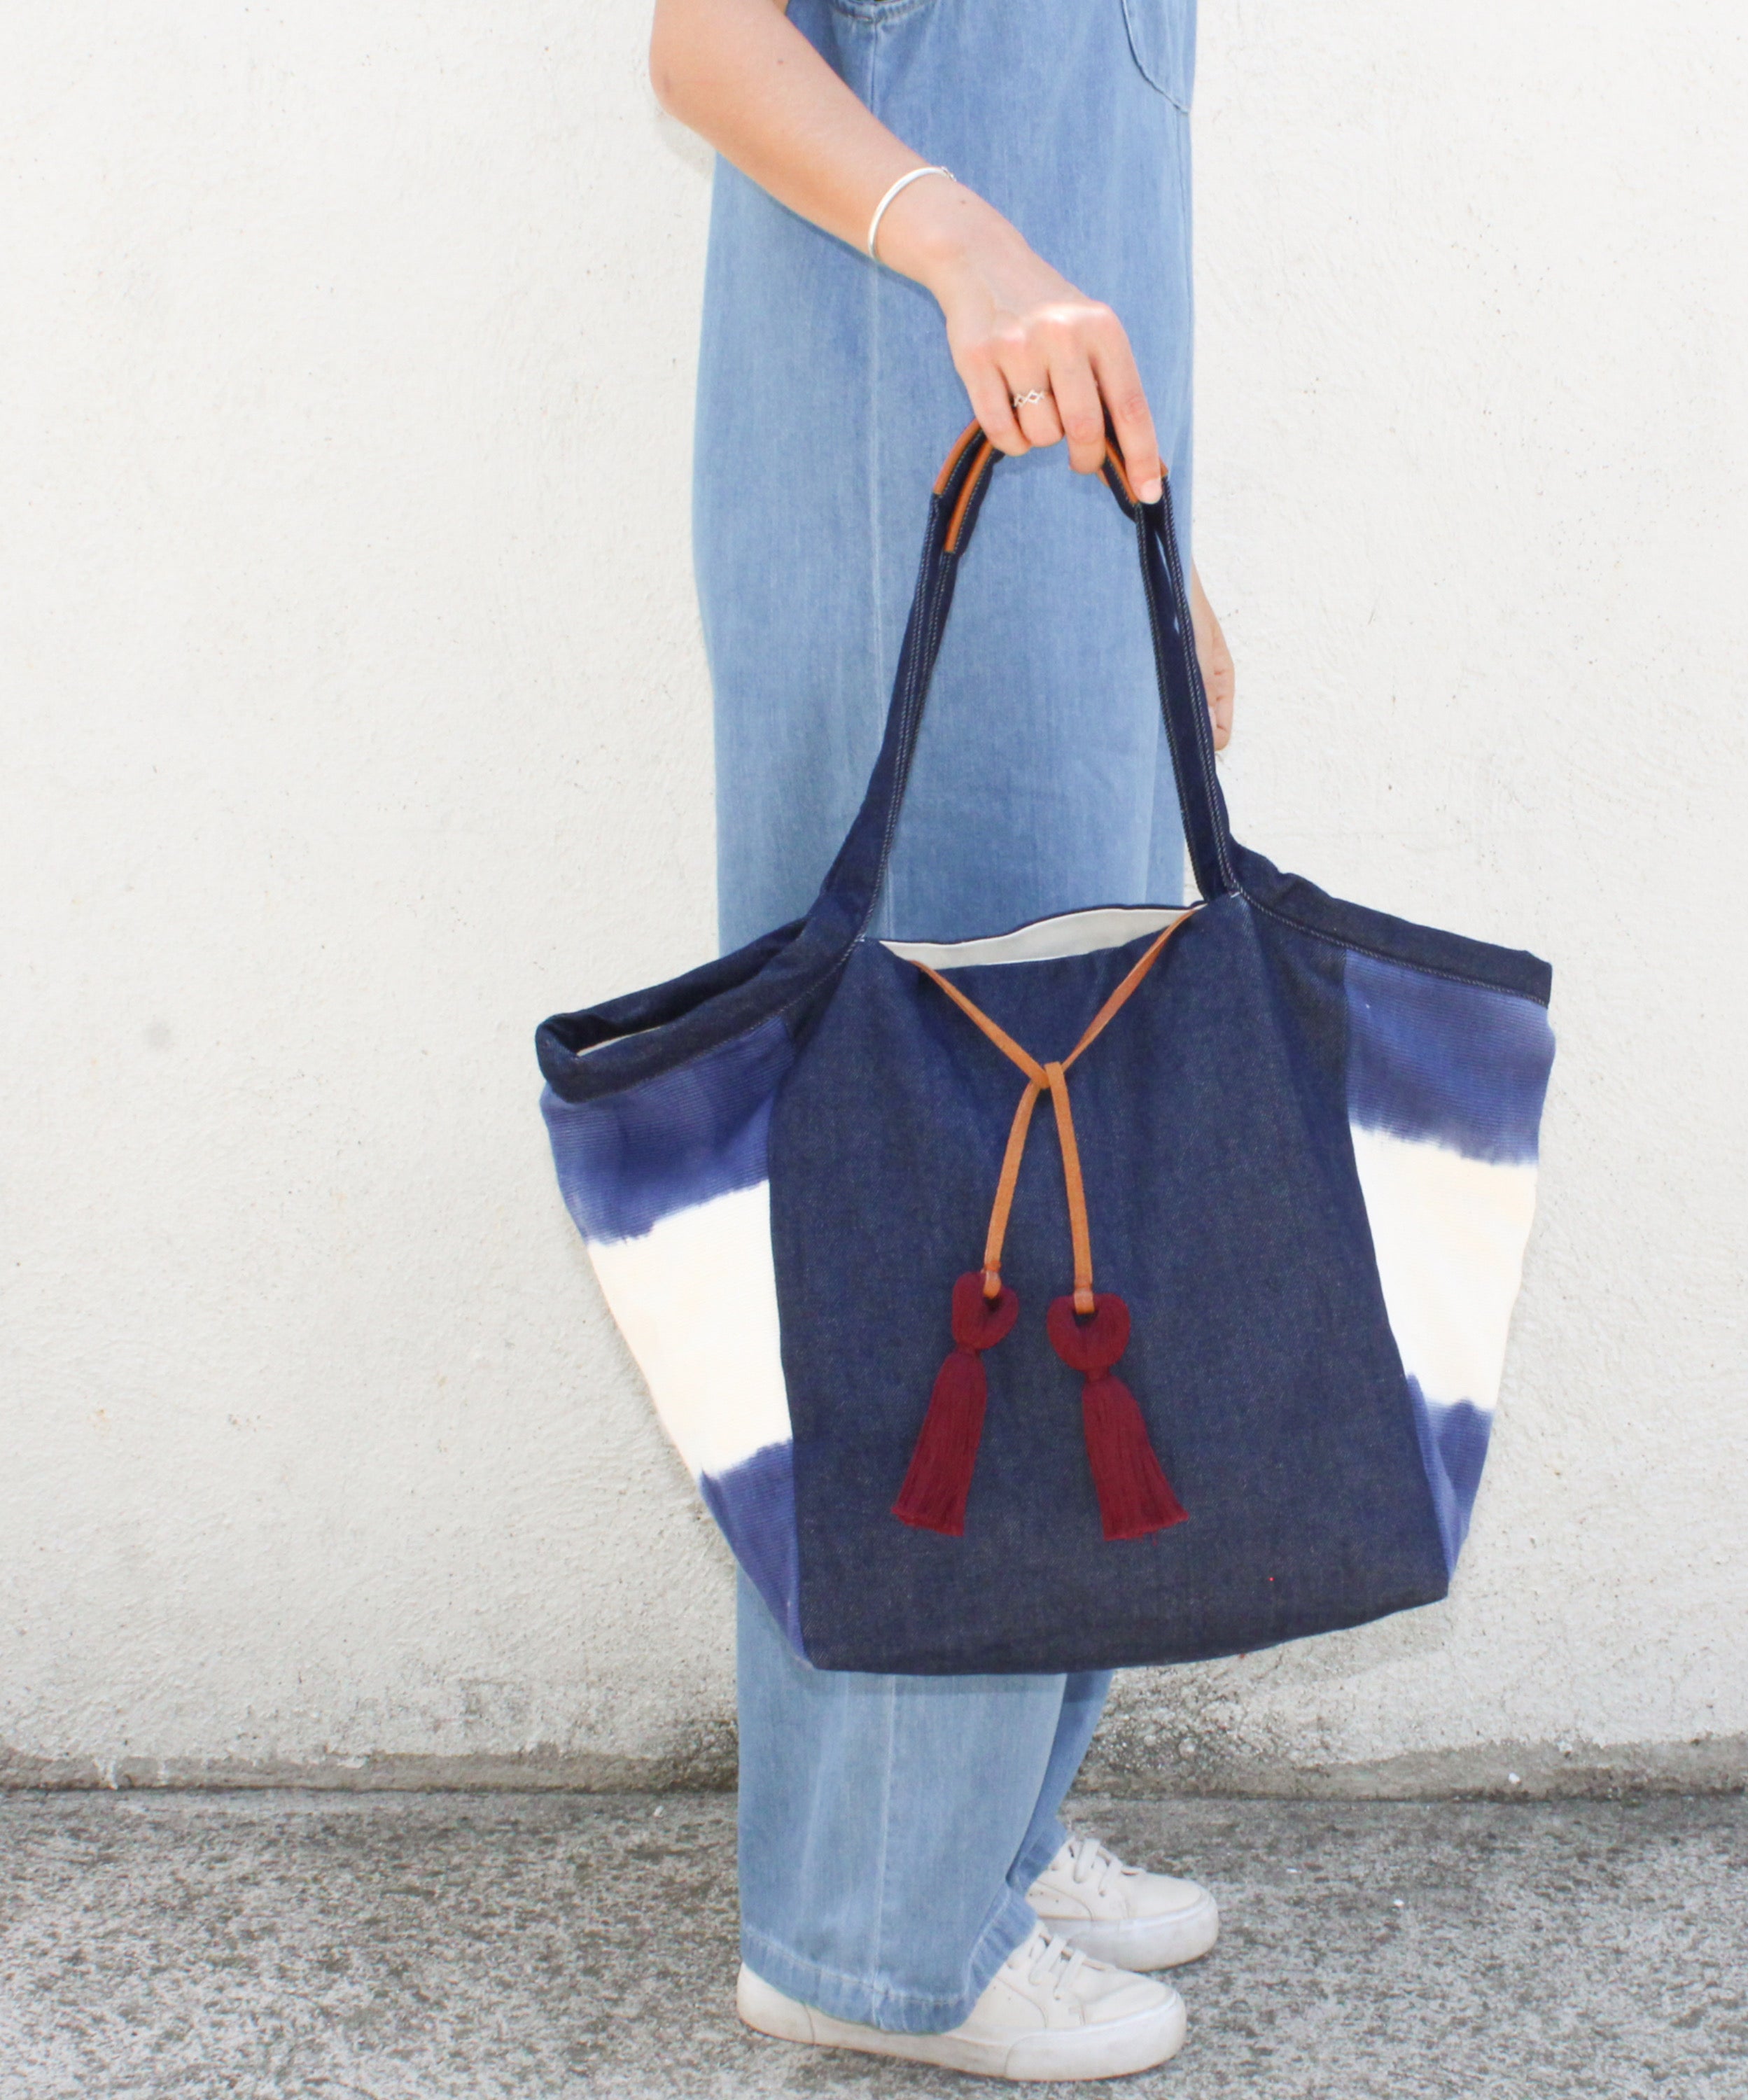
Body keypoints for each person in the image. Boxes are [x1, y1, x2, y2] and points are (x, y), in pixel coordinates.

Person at [648, 0, 1236, 2078]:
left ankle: (982, 1834)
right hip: (903, 518)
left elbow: (1094, 210)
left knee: (1064, 1196)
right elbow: (708, 42)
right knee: (930, 1208)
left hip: (1047, 554)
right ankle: (868, 1930)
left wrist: (1159, 582)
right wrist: (954, 238)